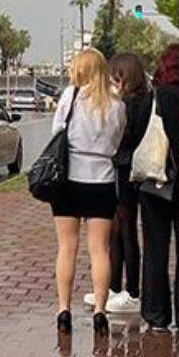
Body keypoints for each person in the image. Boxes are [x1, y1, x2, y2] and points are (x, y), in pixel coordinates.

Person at [50, 49, 126, 334]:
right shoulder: (117, 104)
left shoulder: (70, 97)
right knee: (100, 250)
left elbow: (57, 131)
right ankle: (100, 312)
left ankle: (63, 310)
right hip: (102, 180)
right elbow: (117, 141)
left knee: (66, 247)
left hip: (68, 180)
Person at [83, 52, 149, 313]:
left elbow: (124, 137)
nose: (111, 81)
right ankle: (113, 288)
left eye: (115, 76)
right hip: (122, 170)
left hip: (127, 171)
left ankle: (131, 292)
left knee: (126, 231)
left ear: (124, 76)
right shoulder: (136, 100)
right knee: (117, 232)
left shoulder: (132, 103)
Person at [128, 44, 179, 331]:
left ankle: (156, 314)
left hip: (153, 181)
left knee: (155, 248)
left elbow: (134, 135)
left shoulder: (151, 97)